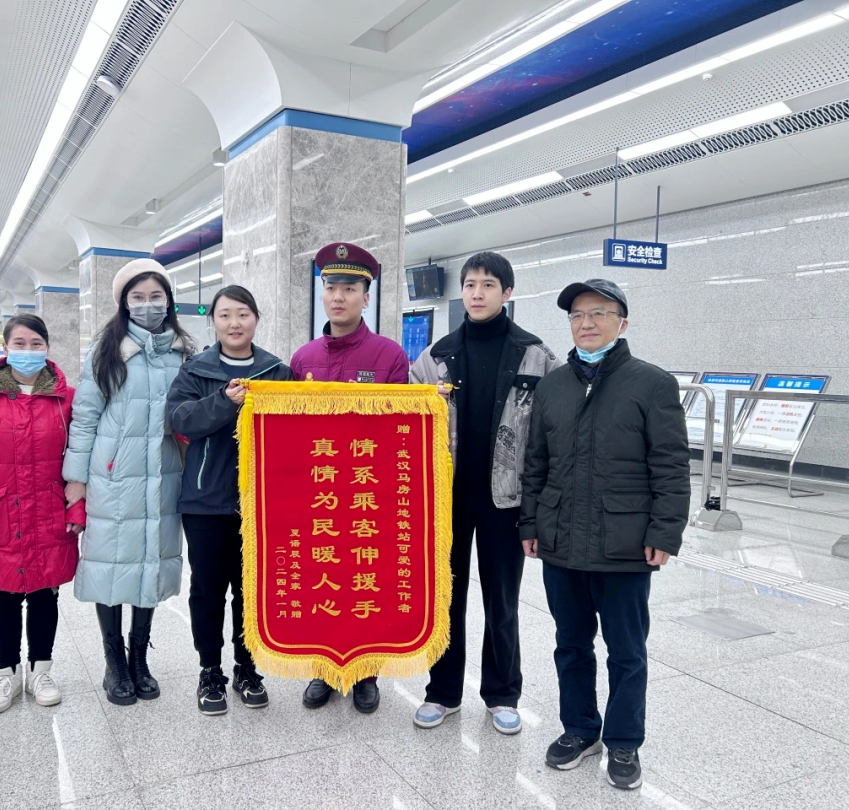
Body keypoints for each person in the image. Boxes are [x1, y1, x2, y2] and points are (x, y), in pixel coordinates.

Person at [519, 279, 690, 790]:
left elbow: (671, 465)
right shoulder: (553, 386)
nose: (586, 323)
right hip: (561, 541)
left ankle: (623, 741)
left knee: (627, 651)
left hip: (626, 544)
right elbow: (535, 463)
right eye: (577, 315)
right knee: (570, 644)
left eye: (598, 313)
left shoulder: (652, 384)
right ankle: (580, 729)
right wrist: (530, 523)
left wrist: (665, 532)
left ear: (623, 322)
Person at [409, 251, 560, 735]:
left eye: (488, 285)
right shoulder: (435, 357)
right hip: (447, 499)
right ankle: (442, 691)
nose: (477, 293)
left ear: (507, 293)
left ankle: (502, 693)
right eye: (470, 284)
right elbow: (406, 425)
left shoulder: (536, 356)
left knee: (502, 601)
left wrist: (540, 506)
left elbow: (551, 435)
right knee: (445, 598)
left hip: (506, 500)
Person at [63, 258, 194, 706]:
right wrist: (76, 480)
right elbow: (85, 417)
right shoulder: (107, 349)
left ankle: (139, 658)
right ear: (124, 303)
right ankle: (114, 662)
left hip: (165, 475)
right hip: (114, 476)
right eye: (137, 297)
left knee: (151, 563)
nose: (147, 304)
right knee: (111, 565)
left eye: (156, 296)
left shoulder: (184, 351)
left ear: (169, 301)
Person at [291, 242, 409, 714]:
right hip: (317, 492)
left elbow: (398, 427)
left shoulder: (389, 356)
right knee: (321, 580)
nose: (338, 297)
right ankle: (323, 668)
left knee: (366, 582)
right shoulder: (303, 358)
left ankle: (366, 674)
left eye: (349, 288)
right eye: (331, 287)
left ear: (366, 296)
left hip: (366, 492)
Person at [168, 285, 293, 715]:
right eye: (225, 315)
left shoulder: (278, 371)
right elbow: (180, 419)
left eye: (243, 314)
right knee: (207, 590)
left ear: (256, 319)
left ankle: (246, 667)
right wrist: (223, 401)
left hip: (261, 503)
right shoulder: (195, 370)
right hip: (205, 500)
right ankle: (209, 670)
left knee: (251, 590)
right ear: (214, 322)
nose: (234, 323)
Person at [0, 313, 85, 714]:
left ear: (47, 347)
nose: (28, 351)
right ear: (6, 348)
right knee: (5, 593)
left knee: (45, 591)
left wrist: (78, 506)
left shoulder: (66, 399)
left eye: (36, 344)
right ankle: (6, 672)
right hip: (0, 510)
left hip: (49, 507)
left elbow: (81, 458)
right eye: (20, 344)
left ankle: (41, 670)